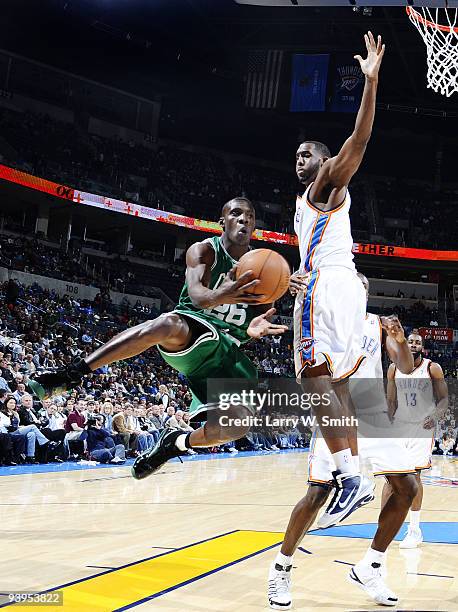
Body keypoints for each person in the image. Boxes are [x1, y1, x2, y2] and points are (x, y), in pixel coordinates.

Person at [30, 197, 288, 478]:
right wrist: (219, 295)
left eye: (249, 215)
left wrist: (253, 332)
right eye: (236, 213)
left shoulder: (263, 269)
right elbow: (198, 296)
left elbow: (250, 324)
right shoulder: (204, 251)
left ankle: (174, 443)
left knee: (233, 428)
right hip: (193, 330)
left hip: (228, 354)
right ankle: (72, 374)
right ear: (222, 221)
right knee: (167, 322)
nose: (244, 219)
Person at [268, 273, 416, 610]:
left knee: (407, 487)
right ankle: (281, 568)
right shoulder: (325, 324)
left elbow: (404, 366)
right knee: (317, 494)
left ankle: (371, 565)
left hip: (374, 414)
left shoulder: (377, 324)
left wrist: (401, 339)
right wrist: (299, 297)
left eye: (360, 288)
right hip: (338, 413)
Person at [289, 31, 385, 529]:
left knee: (311, 379)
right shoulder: (308, 205)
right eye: (298, 157)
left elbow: (359, 141)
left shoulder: (327, 182)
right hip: (339, 286)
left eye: (306, 154)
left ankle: (349, 477)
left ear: (323, 161)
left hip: (329, 287)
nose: (300, 161)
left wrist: (369, 83)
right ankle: (355, 475)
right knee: (337, 387)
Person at [384, 332, 448, 549]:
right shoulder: (393, 368)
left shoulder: (432, 368)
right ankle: (383, 526)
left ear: (422, 346)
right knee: (390, 477)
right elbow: (390, 402)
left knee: (414, 475)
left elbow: (444, 399)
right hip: (400, 426)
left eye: (417, 342)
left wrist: (435, 416)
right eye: (410, 341)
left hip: (422, 427)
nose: (413, 344)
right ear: (404, 344)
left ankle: (414, 530)